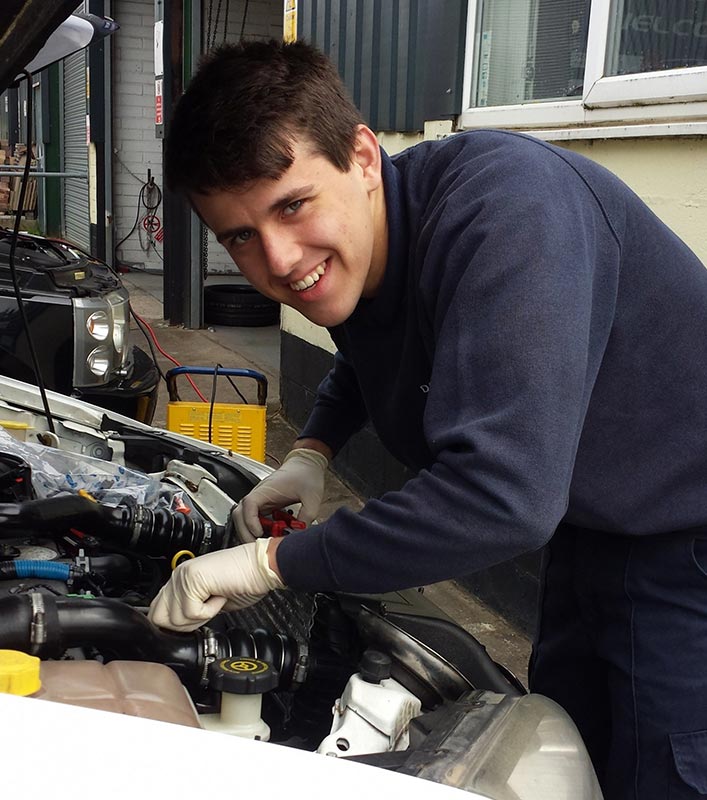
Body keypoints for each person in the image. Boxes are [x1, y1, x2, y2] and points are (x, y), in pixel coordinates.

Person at [148, 39, 707, 799]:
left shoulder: (508, 216)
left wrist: (270, 565)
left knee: (664, 773)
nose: (278, 261)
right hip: (592, 525)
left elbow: (498, 496)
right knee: (567, 751)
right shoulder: (376, 240)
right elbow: (374, 348)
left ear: (363, 157)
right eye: (240, 236)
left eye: (292, 205)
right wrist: (311, 449)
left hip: (686, 541)